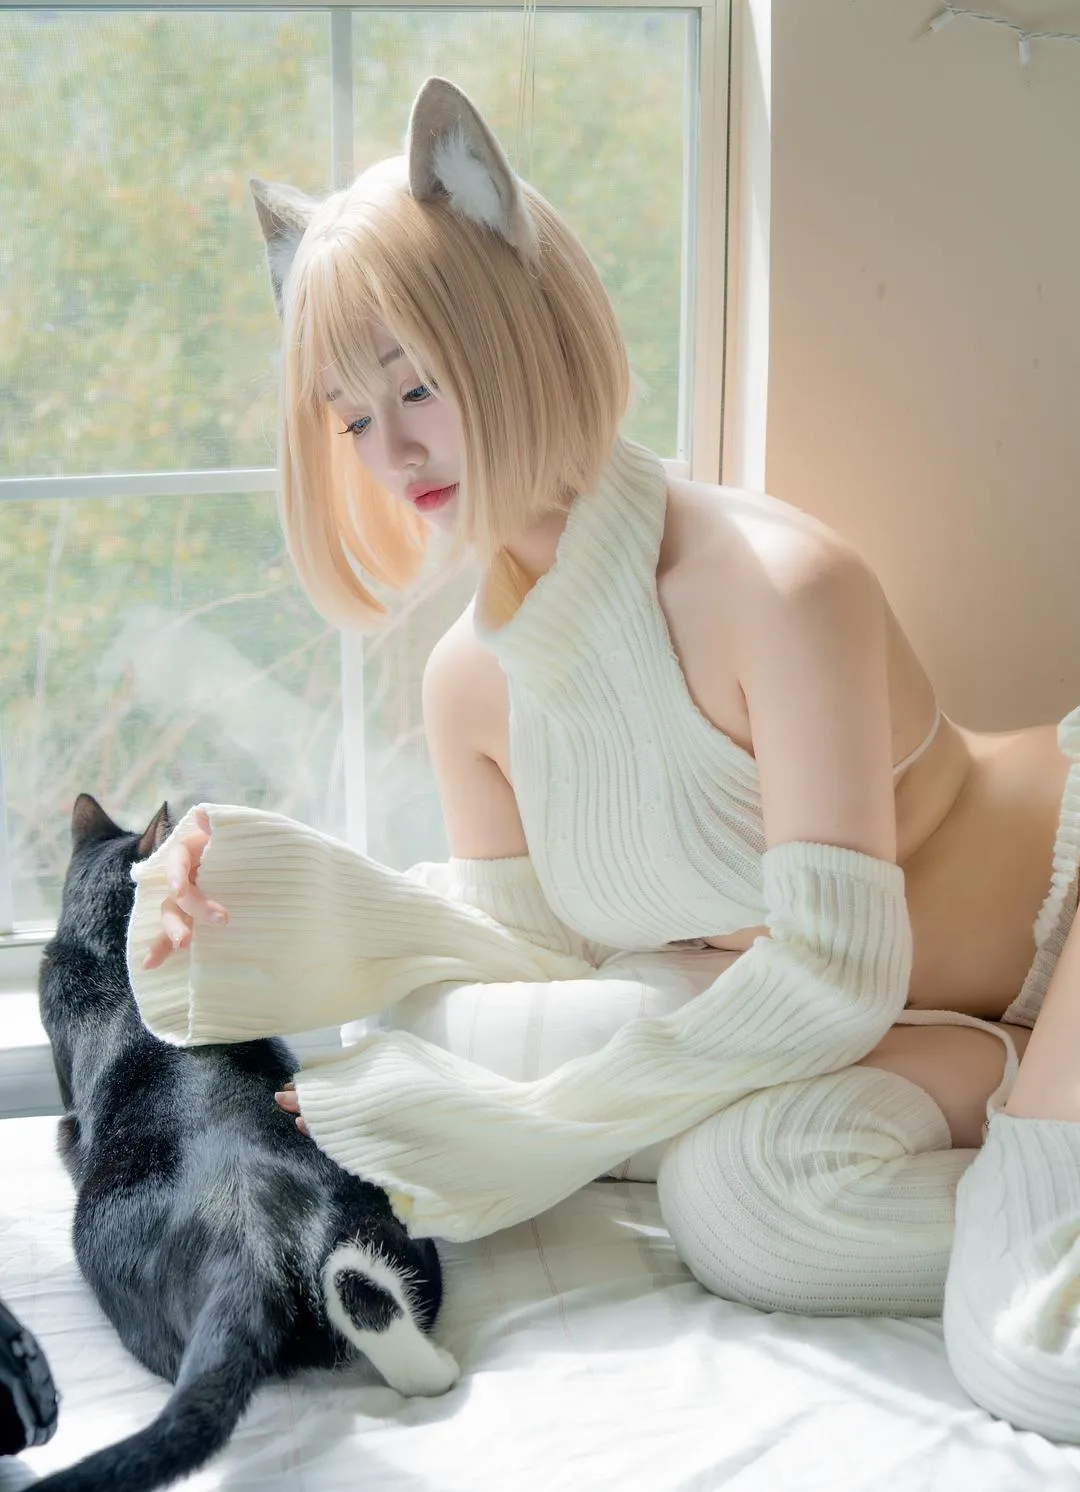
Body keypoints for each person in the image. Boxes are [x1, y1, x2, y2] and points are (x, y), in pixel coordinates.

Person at [125, 76, 1080, 1441]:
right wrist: (238, 908)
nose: (393, 450)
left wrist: (549, 1123)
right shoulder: (470, 686)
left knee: (1033, 1353)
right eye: (351, 415)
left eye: (417, 384)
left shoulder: (775, 587)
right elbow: (525, 963)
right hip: (956, 1033)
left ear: (524, 332)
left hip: (1048, 907)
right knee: (738, 1208)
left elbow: (833, 969)